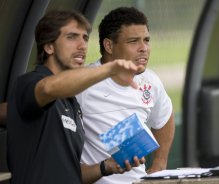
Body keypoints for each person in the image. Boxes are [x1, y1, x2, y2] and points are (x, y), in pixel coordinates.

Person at [6, 9, 145, 184]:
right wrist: (109, 69)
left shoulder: (71, 101)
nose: (82, 46)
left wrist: (106, 167)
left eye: (85, 38)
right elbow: (49, 88)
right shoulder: (29, 83)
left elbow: (71, 173)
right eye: (72, 37)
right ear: (49, 47)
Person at [76, 7, 175, 184]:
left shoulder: (150, 80)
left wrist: (160, 163)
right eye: (133, 41)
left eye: (146, 40)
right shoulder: (83, 83)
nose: (144, 48)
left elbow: (165, 117)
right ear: (109, 46)